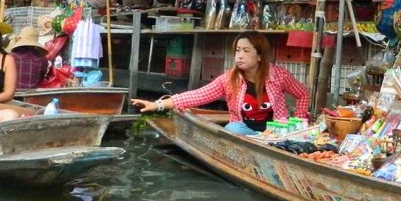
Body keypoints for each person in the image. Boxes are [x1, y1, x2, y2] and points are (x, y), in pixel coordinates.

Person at [131, 31, 309, 135]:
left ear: (260, 55)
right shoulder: (229, 78)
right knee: (232, 128)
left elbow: (303, 94)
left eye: (246, 51)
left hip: (276, 132)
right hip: (244, 130)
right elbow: (197, 95)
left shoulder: (278, 75)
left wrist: (299, 119)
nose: (239, 55)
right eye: (238, 50)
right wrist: (157, 105)